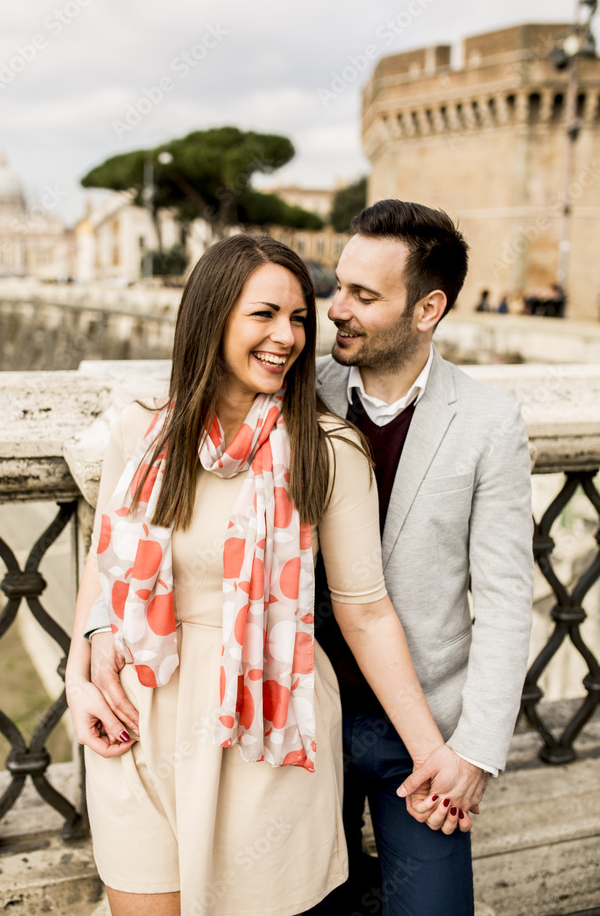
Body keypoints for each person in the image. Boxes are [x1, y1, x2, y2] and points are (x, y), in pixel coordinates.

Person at [65, 233, 468, 916]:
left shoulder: (326, 450)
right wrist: (78, 679)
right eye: (264, 314)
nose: (287, 336)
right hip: (138, 723)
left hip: (263, 727)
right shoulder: (142, 432)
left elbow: (364, 611)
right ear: (211, 315)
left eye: (299, 319)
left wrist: (435, 756)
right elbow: (104, 569)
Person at [306, 200, 534, 916]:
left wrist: (473, 753)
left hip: (423, 742)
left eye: (363, 296)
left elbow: (503, 599)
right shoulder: (294, 393)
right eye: (338, 286)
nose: (336, 309)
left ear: (427, 308)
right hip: (299, 725)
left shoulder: (489, 423)